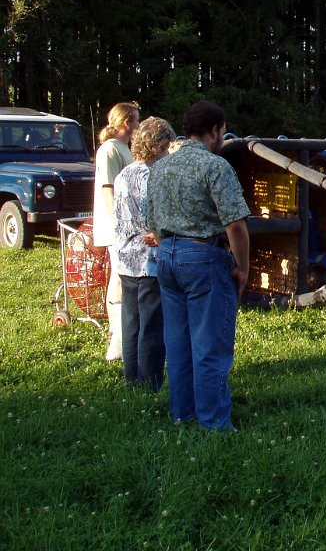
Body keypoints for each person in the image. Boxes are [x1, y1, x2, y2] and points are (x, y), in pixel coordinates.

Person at [146, 101, 250, 431]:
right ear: (215, 130)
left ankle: (183, 414)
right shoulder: (215, 166)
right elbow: (235, 224)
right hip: (204, 256)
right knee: (210, 345)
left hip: (166, 257)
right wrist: (243, 268)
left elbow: (153, 224)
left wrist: (171, 248)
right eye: (223, 132)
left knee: (178, 344)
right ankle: (214, 422)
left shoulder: (160, 167)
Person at [113, 117, 176, 391]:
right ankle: (149, 383)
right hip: (150, 258)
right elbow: (157, 217)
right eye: (168, 146)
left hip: (125, 257)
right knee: (151, 324)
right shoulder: (154, 176)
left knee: (131, 322)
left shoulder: (124, 174)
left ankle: (132, 379)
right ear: (158, 146)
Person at [93, 101, 140, 361]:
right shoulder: (109, 149)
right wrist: (119, 224)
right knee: (119, 280)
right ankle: (117, 343)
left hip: (127, 226)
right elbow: (108, 189)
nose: (138, 124)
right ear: (126, 122)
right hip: (117, 227)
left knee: (124, 279)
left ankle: (124, 337)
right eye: (136, 119)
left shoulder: (124, 147)